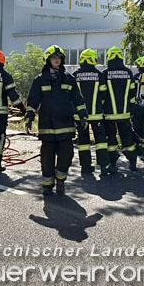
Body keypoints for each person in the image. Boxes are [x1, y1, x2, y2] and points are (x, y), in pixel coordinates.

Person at [25, 45, 88, 195]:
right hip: (47, 124)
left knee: (66, 155)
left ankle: (60, 181)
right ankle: (47, 184)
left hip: (65, 125)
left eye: (59, 58)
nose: (56, 60)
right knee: (47, 156)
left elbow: (78, 99)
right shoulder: (40, 80)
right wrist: (29, 116)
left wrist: (83, 116)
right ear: (47, 60)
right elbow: (33, 100)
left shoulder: (69, 79)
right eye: (54, 58)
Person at [101, 46, 139, 173]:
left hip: (109, 114)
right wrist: (132, 110)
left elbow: (102, 94)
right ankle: (132, 162)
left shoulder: (105, 74)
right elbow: (133, 94)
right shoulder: (129, 73)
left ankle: (113, 164)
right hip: (125, 114)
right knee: (127, 139)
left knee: (111, 140)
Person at [72, 49, 109, 176]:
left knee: (83, 141)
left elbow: (71, 96)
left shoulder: (75, 75)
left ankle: (85, 167)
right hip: (96, 113)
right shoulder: (99, 75)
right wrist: (100, 106)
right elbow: (104, 94)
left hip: (80, 115)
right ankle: (104, 166)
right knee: (101, 140)